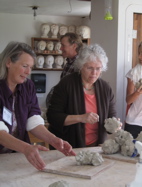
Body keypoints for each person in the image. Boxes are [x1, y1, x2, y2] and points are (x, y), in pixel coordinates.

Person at [0, 42, 75, 170]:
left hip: (16, 155)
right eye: (24, 66)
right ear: (8, 62)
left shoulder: (27, 86)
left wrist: (54, 140)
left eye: (30, 67)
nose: (28, 72)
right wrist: (26, 148)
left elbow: (33, 120)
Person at [46, 44, 117, 148]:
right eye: (90, 68)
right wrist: (81, 118)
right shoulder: (66, 84)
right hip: (68, 146)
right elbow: (53, 117)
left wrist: (115, 125)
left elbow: (111, 117)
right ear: (81, 66)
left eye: (98, 68)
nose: (94, 73)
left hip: (96, 147)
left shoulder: (105, 88)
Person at [45, 33, 83, 107]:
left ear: (74, 46)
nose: (60, 48)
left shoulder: (80, 65)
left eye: (63, 45)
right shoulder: (69, 62)